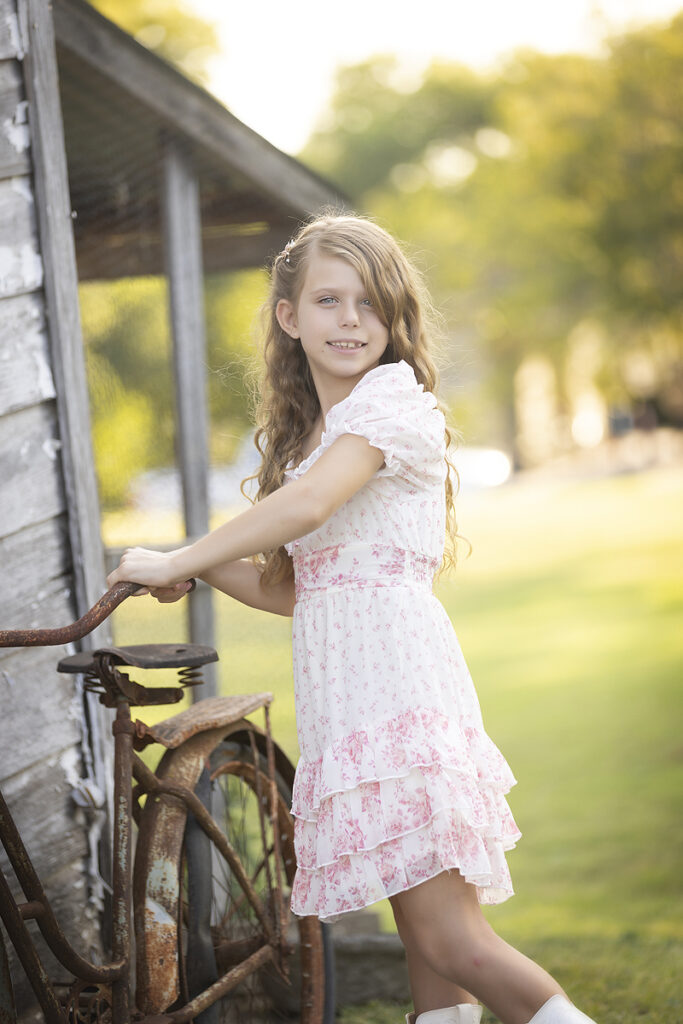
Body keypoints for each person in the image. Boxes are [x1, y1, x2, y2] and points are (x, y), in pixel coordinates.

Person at [107, 213, 598, 1024]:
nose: (349, 320)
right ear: (288, 316)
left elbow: (308, 506)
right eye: (328, 301)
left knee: (453, 943)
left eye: (368, 304)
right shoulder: (322, 434)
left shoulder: (390, 407)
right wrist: (187, 564)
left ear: (393, 317)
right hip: (353, 696)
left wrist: (182, 559)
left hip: (395, 691)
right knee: (427, 953)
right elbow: (300, 589)